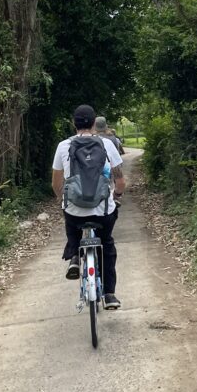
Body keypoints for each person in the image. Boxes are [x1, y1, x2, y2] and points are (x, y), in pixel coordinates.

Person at [51, 104, 126, 310]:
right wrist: (116, 196)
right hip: (103, 211)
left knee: (71, 223)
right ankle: (109, 294)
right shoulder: (107, 144)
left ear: (73, 123)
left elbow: (56, 184)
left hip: (74, 211)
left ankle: (75, 256)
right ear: (94, 123)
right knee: (107, 244)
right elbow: (120, 182)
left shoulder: (63, 146)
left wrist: (62, 200)